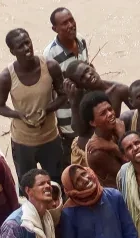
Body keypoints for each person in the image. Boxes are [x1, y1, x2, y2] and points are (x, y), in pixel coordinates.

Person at [0, 28, 67, 178]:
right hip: (23, 142)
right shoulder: (6, 77)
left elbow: (63, 95)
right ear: (12, 51)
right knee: (29, 186)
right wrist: (18, 114)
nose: (27, 48)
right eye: (21, 46)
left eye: (28, 42)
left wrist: (47, 109)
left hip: (50, 137)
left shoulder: (50, 66)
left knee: (58, 181)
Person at [44, 7, 89, 155]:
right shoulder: (51, 54)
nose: (70, 25)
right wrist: (55, 124)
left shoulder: (81, 40)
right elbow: (48, 91)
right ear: (55, 29)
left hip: (86, 110)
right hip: (67, 118)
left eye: (71, 20)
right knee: (74, 154)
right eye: (64, 23)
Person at [64, 62, 131, 146]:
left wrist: (123, 134)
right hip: (92, 146)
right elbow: (80, 131)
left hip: (115, 140)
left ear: (92, 66)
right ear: (79, 85)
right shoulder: (82, 98)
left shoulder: (119, 90)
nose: (88, 76)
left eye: (87, 70)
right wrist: (73, 102)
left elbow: (137, 114)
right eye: (82, 78)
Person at [77, 90, 130, 188]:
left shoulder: (116, 128)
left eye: (110, 109)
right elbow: (129, 174)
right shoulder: (96, 152)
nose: (110, 114)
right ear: (92, 122)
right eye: (103, 113)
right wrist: (115, 146)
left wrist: (121, 136)